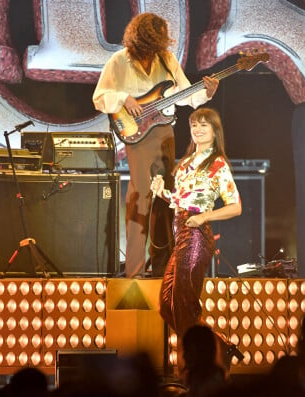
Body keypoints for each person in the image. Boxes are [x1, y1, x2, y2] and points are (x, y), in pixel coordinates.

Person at [93, 12, 219, 278]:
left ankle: (162, 267)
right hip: (137, 138)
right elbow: (100, 97)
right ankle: (134, 271)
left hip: (164, 134)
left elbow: (185, 93)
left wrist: (207, 92)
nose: (154, 49)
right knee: (140, 198)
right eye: (150, 43)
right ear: (139, 39)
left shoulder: (167, 60)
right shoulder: (119, 61)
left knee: (166, 200)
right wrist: (123, 98)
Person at [151, 107, 240, 338]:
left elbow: (235, 207)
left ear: (214, 131)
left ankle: (200, 359)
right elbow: (181, 200)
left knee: (184, 307)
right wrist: (162, 192)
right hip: (181, 233)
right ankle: (216, 347)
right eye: (194, 125)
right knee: (166, 305)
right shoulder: (188, 161)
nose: (198, 130)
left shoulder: (217, 164)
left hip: (197, 235)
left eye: (204, 125)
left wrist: (204, 216)